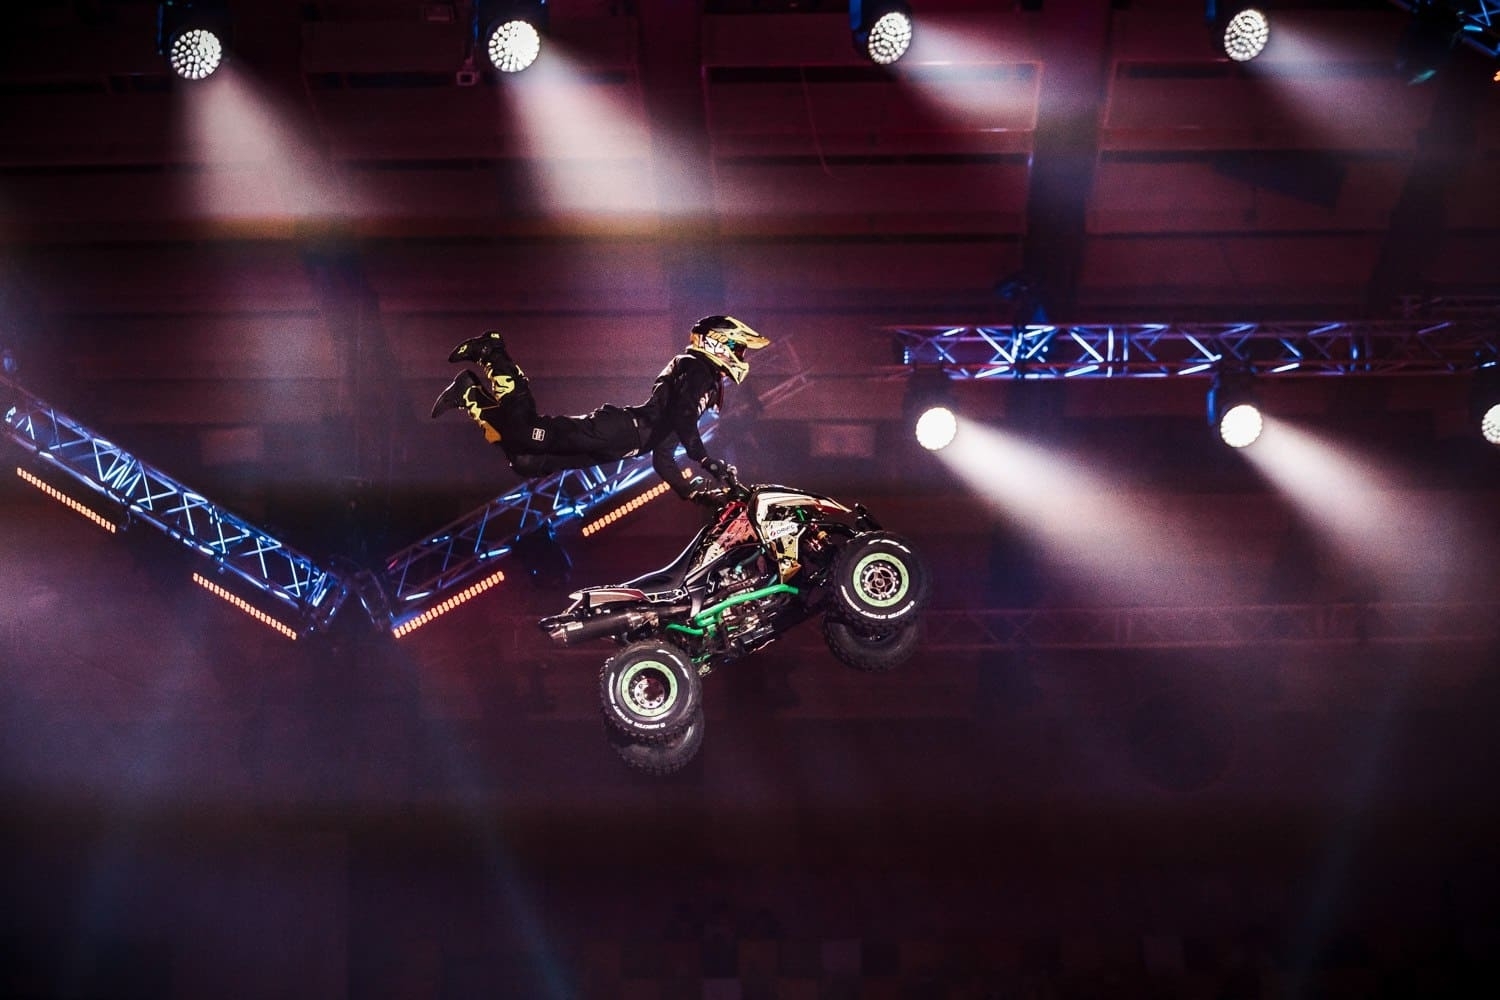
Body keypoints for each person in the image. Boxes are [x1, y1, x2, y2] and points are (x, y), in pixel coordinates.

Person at [431, 315, 769, 505]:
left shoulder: (706, 381)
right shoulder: (696, 367)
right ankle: (493, 352)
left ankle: (470, 394)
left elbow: (663, 453)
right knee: (526, 432)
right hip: (619, 429)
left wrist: (690, 492)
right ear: (719, 342)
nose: (741, 357)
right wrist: (705, 459)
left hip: (620, 446)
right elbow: (682, 416)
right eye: (739, 348)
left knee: (526, 462)